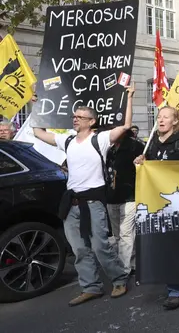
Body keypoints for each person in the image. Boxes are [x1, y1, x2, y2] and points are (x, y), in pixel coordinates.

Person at [32, 85, 135, 306]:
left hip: (94, 203)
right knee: (79, 249)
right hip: (72, 204)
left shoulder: (101, 139)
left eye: (80, 116)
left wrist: (130, 96)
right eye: (74, 116)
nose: (75, 119)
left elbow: (126, 126)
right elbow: (38, 133)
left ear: (91, 121)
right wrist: (35, 105)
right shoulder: (67, 140)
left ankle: (119, 279)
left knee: (100, 246)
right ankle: (91, 287)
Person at [134, 106, 179, 310]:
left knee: (178, 245)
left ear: (175, 121)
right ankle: (178, 286)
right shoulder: (152, 143)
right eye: (159, 116)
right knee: (166, 245)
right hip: (159, 202)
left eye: (166, 117)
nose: (161, 120)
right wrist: (141, 162)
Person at [106, 128, 144, 275]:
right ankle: (132, 263)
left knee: (126, 233)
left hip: (130, 196)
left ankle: (123, 270)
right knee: (117, 235)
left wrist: (142, 161)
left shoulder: (135, 146)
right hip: (112, 196)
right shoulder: (108, 148)